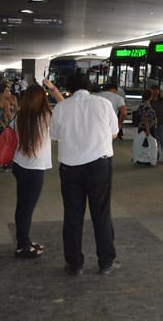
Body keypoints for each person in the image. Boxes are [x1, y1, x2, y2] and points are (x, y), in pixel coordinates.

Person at [49, 72, 120, 276]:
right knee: (102, 213)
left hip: (70, 168)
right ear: (89, 87)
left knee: (72, 215)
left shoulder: (61, 108)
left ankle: (75, 264)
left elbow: (54, 135)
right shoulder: (104, 104)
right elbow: (114, 133)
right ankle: (106, 262)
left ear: (69, 89)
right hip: (100, 166)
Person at [11, 82, 64, 259]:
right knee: (27, 208)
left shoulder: (20, 115)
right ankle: (22, 246)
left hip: (19, 164)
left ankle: (24, 240)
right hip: (34, 169)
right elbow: (64, 106)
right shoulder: (46, 116)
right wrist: (54, 89)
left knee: (22, 205)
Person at [0, 82, 16, 148]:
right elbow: (8, 115)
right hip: (1, 126)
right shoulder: (5, 101)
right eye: (6, 91)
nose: (9, 92)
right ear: (1, 93)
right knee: (2, 148)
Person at [149, 85, 163, 153]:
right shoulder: (149, 101)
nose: (155, 91)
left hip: (162, 123)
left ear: (159, 91)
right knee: (154, 140)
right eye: (153, 90)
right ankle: (156, 155)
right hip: (152, 124)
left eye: (156, 90)